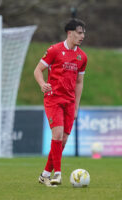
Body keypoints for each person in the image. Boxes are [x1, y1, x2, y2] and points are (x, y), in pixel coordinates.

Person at [34, 18, 88, 187]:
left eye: (84, 33)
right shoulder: (54, 50)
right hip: (53, 99)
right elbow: (37, 70)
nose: (82, 36)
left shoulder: (82, 57)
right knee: (57, 135)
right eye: (79, 33)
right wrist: (43, 84)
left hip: (70, 102)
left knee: (63, 141)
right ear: (70, 33)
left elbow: (79, 83)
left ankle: (44, 174)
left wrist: (77, 106)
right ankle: (57, 174)